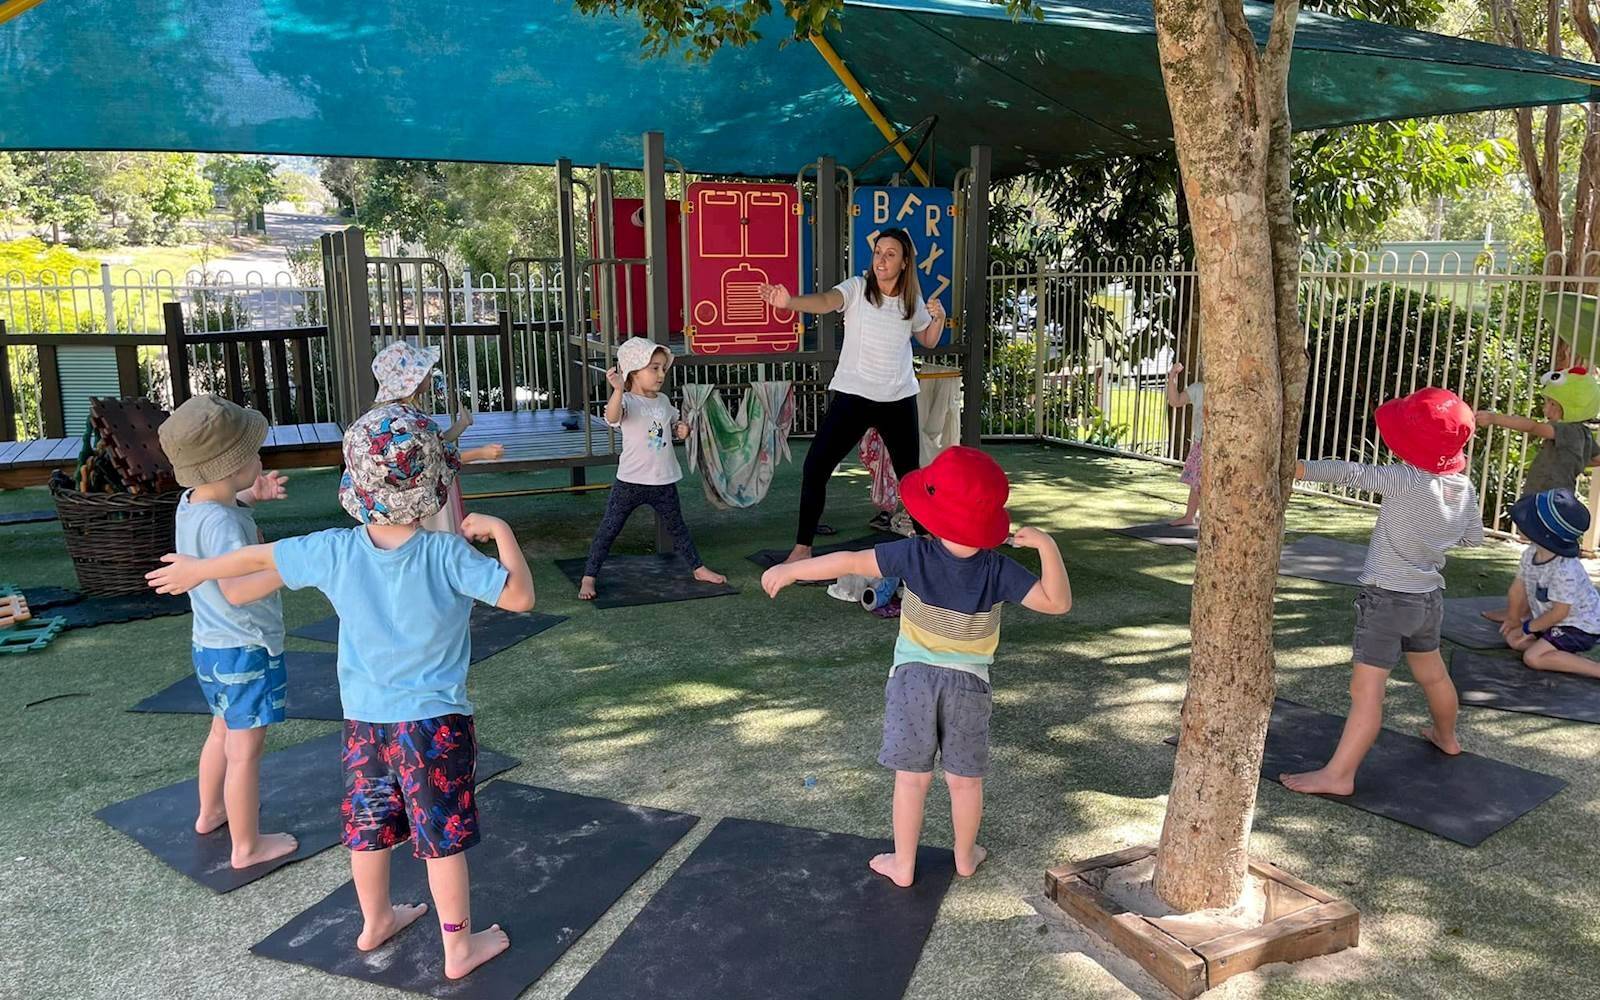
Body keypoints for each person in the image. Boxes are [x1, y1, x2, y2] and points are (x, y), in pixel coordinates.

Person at [148, 403, 536, 980]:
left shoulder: (334, 549)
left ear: (354, 484)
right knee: (441, 839)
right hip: (434, 726)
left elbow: (259, 557)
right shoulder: (449, 554)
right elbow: (520, 597)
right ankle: (458, 948)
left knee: (370, 828)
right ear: (433, 483)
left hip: (365, 724)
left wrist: (198, 572)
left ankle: (374, 920)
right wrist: (501, 531)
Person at [761, 446, 1071, 886]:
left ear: (933, 513)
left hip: (912, 682)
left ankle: (903, 864)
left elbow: (849, 562)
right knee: (964, 782)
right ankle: (965, 856)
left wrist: (794, 570)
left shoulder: (914, 554)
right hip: (970, 686)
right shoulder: (998, 569)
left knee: (911, 780)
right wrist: (1046, 545)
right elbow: (1057, 602)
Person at [1282, 387, 1483, 796]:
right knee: (1433, 674)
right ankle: (1447, 736)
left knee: (1367, 692)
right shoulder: (1464, 489)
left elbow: (1350, 473)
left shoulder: (1405, 479)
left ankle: (1339, 775)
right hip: (1428, 599)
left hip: (1387, 600)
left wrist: (1297, 468)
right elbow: (1472, 540)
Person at [157, 394, 298, 870]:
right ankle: (246, 847)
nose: (261, 460)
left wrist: (250, 496)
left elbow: (222, 516)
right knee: (245, 751)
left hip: (211, 648)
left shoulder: (194, 505)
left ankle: (211, 811)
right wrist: (287, 566)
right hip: (245, 649)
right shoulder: (222, 525)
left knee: (220, 731)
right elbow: (239, 589)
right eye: (253, 453)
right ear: (230, 465)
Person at [759, 228, 947, 564]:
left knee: (911, 478)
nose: (881, 260)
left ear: (905, 263)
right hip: (854, 395)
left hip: (898, 398)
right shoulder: (858, 288)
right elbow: (827, 300)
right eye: (878, 252)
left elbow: (928, 340)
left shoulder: (911, 301)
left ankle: (928, 543)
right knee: (816, 466)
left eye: (890, 254)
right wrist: (790, 303)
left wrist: (940, 319)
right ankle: (802, 548)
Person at [578, 336, 725, 600]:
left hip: (663, 480)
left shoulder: (663, 401)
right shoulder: (627, 402)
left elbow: (672, 427)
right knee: (609, 528)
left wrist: (683, 430)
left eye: (662, 368)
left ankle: (698, 568)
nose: (660, 374)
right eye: (653, 368)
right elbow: (612, 417)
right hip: (630, 482)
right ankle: (589, 577)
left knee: (678, 527)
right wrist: (618, 390)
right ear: (633, 371)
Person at [1474, 366, 1600, 623]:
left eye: (1550, 404)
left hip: (1546, 500)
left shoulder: (1567, 430)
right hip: (1557, 500)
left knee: (1537, 553)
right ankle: (1526, 607)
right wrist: (1573, 462)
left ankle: (1521, 610)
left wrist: (1494, 418)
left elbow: (1533, 427)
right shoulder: (1584, 435)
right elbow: (1597, 458)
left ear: (1566, 407)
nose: (1546, 409)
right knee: (1540, 553)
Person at [368, 341, 506, 535]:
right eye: (423, 370)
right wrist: (481, 453)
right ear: (411, 381)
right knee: (436, 543)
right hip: (425, 500)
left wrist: (461, 424)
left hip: (396, 503)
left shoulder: (392, 416)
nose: (429, 373)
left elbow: (435, 444)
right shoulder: (414, 422)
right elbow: (438, 460)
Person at [1499, 488, 1600, 679]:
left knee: (1532, 658)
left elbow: (1561, 612)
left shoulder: (1564, 570)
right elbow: (1517, 589)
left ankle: (1595, 670)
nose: (1518, 522)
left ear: (1541, 533)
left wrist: (1528, 628)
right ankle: (1557, 654)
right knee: (1513, 640)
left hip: (1579, 625)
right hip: (1552, 621)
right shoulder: (1531, 553)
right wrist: (1513, 619)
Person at [1164, 361, 1204, 527]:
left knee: (1206, 483)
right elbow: (1175, 401)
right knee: (1197, 482)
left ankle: (1205, 519)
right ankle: (1190, 516)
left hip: (1221, 447)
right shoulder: (1198, 389)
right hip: (1201, 444)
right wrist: (1172, 377)